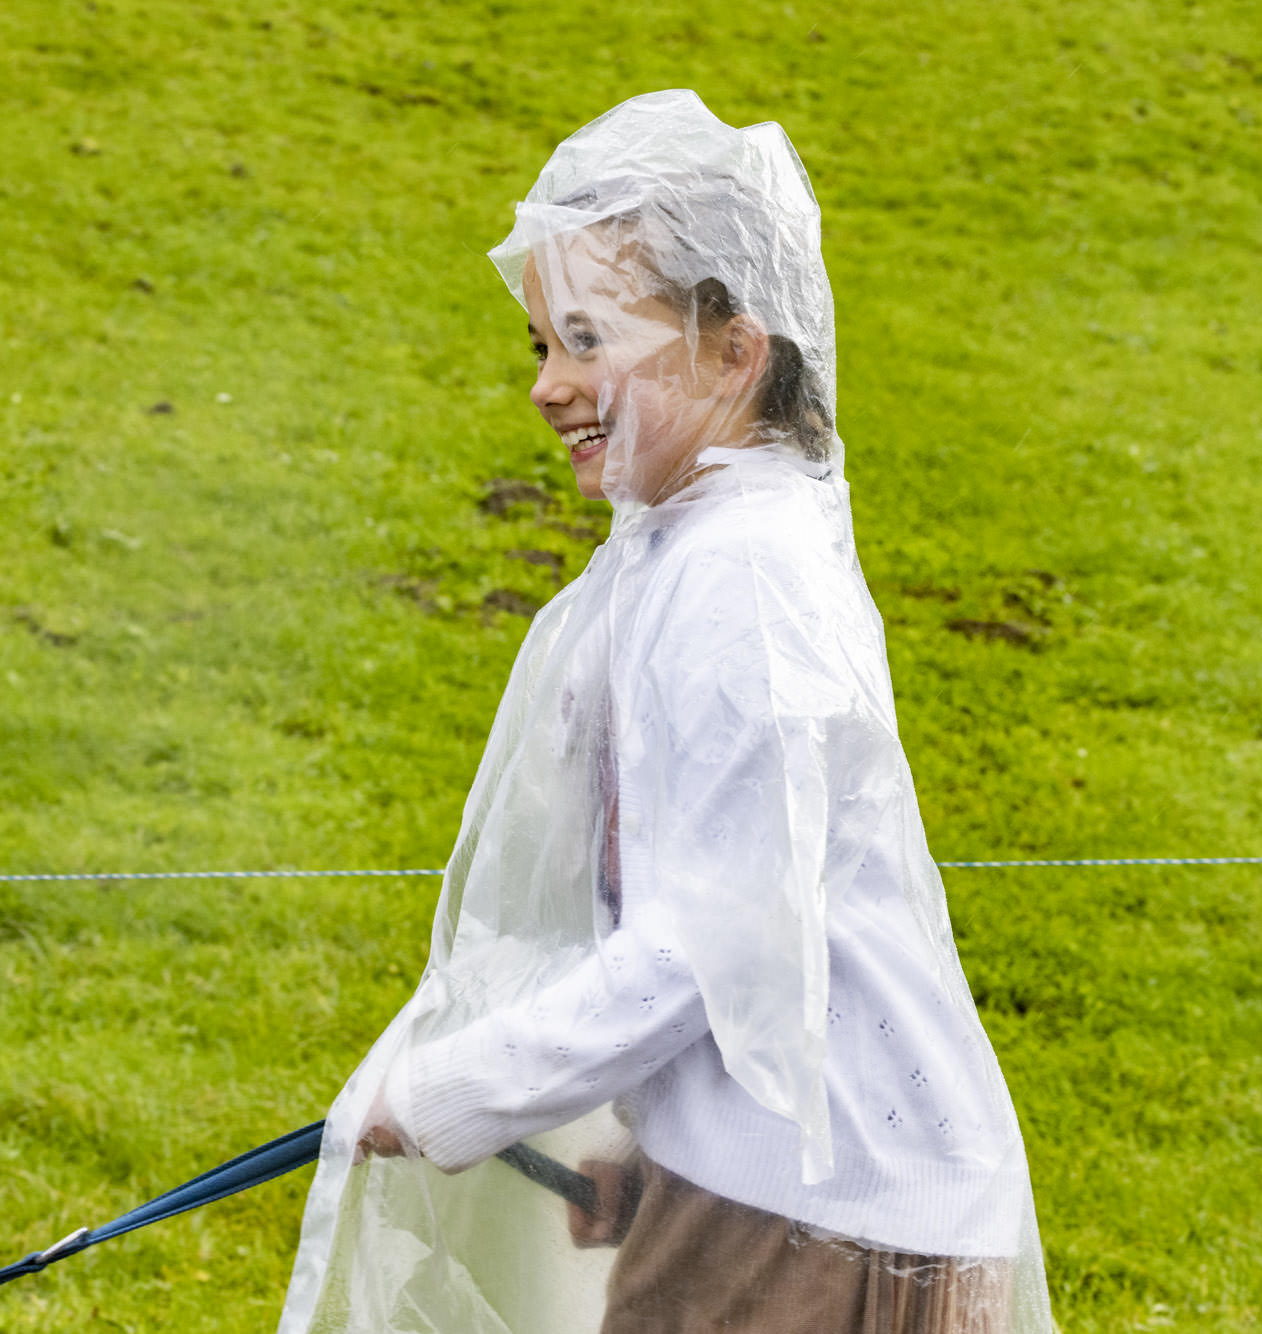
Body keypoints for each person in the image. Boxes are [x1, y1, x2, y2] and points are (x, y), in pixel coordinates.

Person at [279, 90, 1053, 1334]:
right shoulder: (689, 547)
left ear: (733, 352)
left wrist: (444, 1092)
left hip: (831, 1214)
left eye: (586, 339)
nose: (547, 386)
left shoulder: (743, 580)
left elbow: (702, 944)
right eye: (540, 343)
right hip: (776, 1194)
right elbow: (741, 923)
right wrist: (664, 1156)